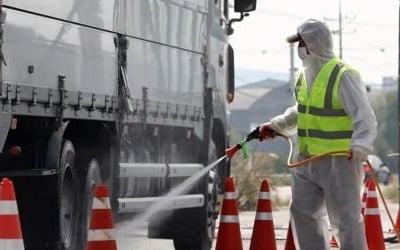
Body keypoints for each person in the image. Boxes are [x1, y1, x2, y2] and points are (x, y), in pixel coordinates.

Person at [259, 19, 377, 250]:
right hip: (308, 159)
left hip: (341, 159)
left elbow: (364, 115)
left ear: (314, 43)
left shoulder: (343, 74)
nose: (299, 48)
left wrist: (361, 146)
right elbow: (301, 112)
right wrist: (276, 126)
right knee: (303, 213)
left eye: (301, 42)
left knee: (345, 221)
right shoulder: (304, 77)